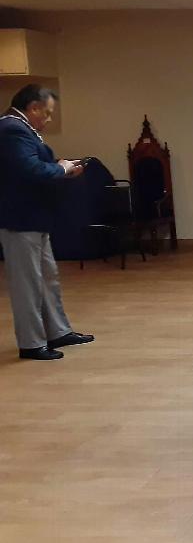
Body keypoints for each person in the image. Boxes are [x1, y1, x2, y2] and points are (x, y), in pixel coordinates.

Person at [0, 84, 94, 361]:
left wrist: (61, 169)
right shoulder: (11, 129)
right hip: (20, 218)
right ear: (34, 107)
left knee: (47, 278)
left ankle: (57, 331)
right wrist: (61, 168)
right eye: (48, 113)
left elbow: (32, 167)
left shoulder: (20, 128)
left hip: (35, 217)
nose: (49, 119)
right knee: (27, 283)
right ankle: (31, 343)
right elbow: (29, 170)